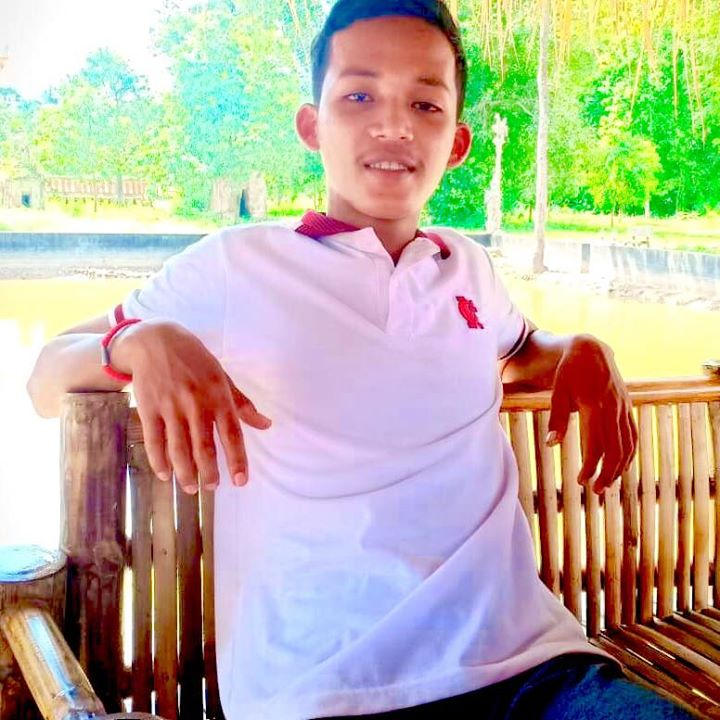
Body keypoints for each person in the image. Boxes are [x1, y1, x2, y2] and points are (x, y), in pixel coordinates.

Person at [27, 1, 694, 718]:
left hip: (530, 669)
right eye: (359, 96)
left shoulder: (467, 267)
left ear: (456, 142)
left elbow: (521, 349)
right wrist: (136, 341)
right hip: (327, 689)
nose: (394, 125)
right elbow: (45, 376)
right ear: (312, 126)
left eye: (425, 104)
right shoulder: (239, 265)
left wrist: (581, 348)